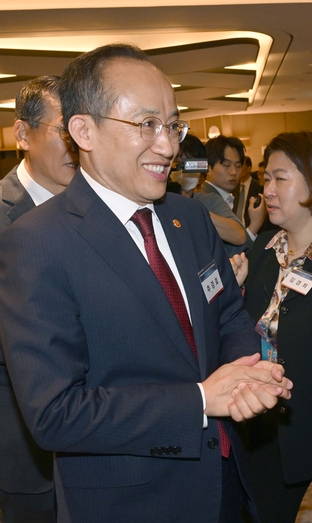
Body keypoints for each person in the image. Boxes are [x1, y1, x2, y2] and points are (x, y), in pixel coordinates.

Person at [0, 43, 292, 523]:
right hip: (130, 502)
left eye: (173, 125)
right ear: (83, 131)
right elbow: (55, 413)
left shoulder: (190, 218)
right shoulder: (35, 244)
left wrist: (251, 371)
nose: (169, 145)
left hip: (224, 484)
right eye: (146, 125)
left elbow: (227, 314)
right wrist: (200, 400)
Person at [242, 131, 312, 523]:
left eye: (279, 178)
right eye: (265, 177)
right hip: (266, 435)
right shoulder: (262, 250)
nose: (267, 189)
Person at [0, 75, 78, 523]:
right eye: (63, 130)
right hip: (24, 440)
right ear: (23, 134)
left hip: (101, 438)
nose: (75, 143)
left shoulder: (97, 208)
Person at [195, 136, 266, 255]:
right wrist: (254, 225)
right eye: (226, 165)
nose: (233, 172)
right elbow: (225, 253)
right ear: (207, 167)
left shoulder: (228, 195)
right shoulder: (205, 200)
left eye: (238, 166)